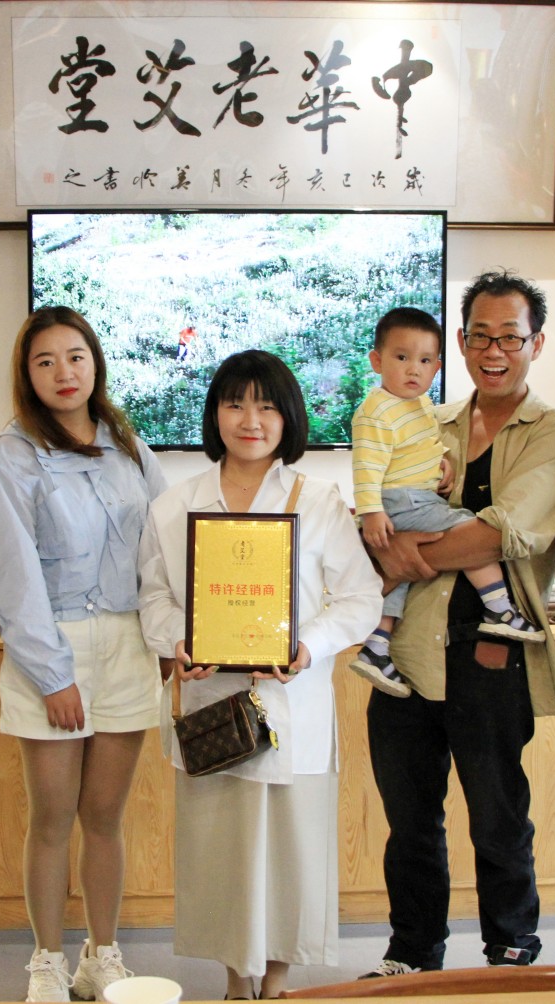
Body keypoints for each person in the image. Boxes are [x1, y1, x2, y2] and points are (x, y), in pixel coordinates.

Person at [138, 350, 382, 1000]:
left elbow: (361, 599)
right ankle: (234, 982)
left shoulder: (319, 502)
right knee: (222, 858)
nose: (251, 420)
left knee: (290, 858)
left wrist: (308, 646)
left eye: (267, 406)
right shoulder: (174, 506)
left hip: (292, 707)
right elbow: (153, 599)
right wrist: (178, 641)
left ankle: (275, 986)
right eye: (236, 404)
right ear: (214, 413)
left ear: (289, 417)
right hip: (213, 707)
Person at [360, 270, 555, 976]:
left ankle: (510, 951)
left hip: (492, 654)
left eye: (509, 338)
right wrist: (388, 545)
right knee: (409, 822)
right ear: (460, 341)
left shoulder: (551, 432)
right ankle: (412, 952)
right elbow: (373, 513)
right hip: (409, 654)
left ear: (535, 344)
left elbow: (504, 534)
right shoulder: (426, 418)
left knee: (498, 816)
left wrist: (406, 555)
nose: (493, 351)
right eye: (480, 336)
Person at [0, 307, 168, 1003]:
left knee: (105, 818)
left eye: (76, 356)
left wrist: (167, 640)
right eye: (45, 360)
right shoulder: (10, 457)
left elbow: (163, 544)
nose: (64, 372)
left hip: (128, 643)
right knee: (53, 818)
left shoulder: (127, 444)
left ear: (95, 363)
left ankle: (102, 957)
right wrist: (54, 675)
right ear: (26, 374)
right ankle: (47, 962)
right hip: (50, 645)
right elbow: (10, 577)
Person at [348, 307, 545, 700]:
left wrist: (441, 462)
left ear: (436, 368)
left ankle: (377, 644)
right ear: (376, 361)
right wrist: (371, 512)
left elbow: (419, 446)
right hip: (401, 500)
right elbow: (366, 465)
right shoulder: (376, 410)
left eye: (424, 361)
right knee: (469, 531)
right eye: (401, 357)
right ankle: (499, 607)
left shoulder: (419, 404)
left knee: (401, 575)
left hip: (412, 495)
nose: (413, 369)